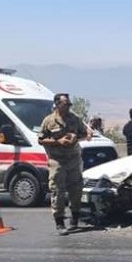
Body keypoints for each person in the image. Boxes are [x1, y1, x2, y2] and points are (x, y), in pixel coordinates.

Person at [39, 93, 89, 235]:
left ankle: (75, 219)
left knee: (76, 189)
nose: (68, 107)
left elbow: (84, 134)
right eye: (65, 104)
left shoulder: (74, 119)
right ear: (57, 104)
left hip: (73, 158)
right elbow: (41, 139)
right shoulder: (49, 121)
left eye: (69, 104)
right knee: (57, 190)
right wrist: (58, 141)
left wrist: (75, 137)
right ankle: (59, 222)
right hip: (57, 159)